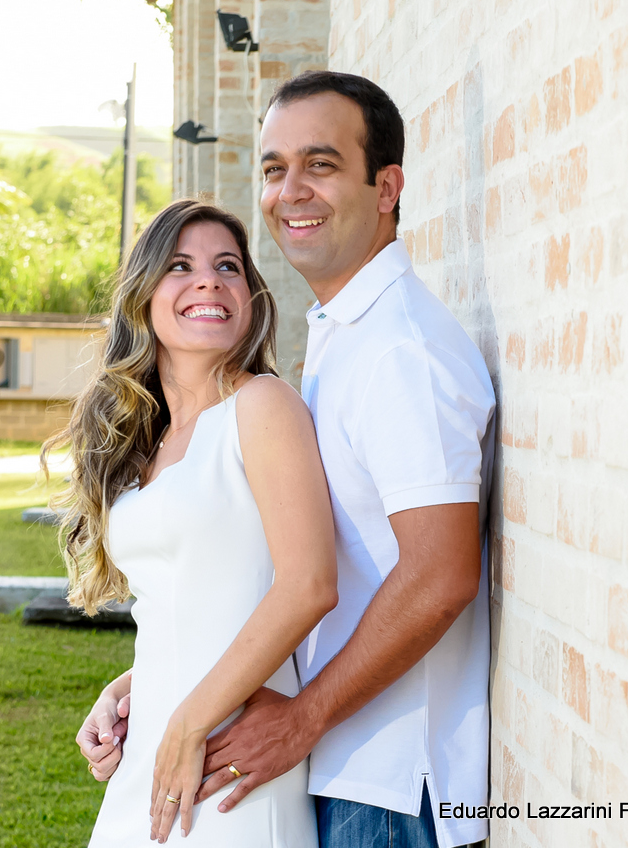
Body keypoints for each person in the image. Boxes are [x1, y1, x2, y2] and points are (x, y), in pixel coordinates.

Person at [87, 72, 497, 848]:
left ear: (387, 187)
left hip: (390, 778)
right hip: (329, 757)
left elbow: (441, 574)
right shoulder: (343, 340)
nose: (291, 190)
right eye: (275, 169)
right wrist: (157, 681)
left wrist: (301, 717)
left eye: (321, 163)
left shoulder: (397, 351)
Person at [54, 199, 337, 846]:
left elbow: (308, 583)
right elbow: (188, 606)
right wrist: (123, 693)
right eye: (181, 265)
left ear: (250, 297)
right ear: (145, 295)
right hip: (154, 749)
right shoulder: (144, 441)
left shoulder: (263, 405)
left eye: (227, 266)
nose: (208, 280)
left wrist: (187, 725)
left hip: (226, 760)